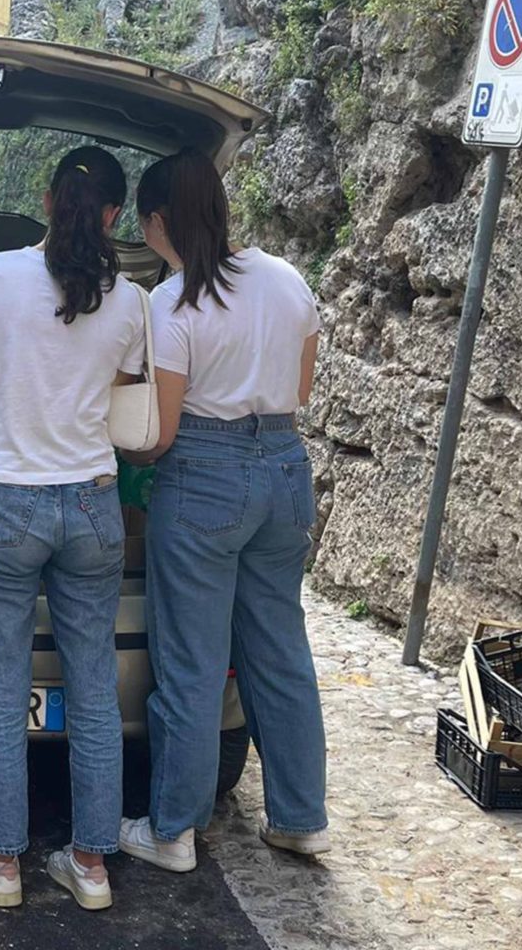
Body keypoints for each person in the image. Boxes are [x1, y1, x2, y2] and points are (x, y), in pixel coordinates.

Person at [0, 146, 146, 911]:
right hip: (92, 503)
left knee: (1, 688)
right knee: (93, 688)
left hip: (5, 498)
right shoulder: (131, 302)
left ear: (47, 198)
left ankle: (3, 863)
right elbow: (113, 403)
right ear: (114, 215)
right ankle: (90, 866)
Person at [116, 149, 328, 874]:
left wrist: (126, 453)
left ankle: (173, 830)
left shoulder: (172, 301)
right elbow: (301, 388)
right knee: (280, 651)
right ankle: (300, 819)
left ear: (158, 220)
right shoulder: (287, 278)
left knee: (192, 663)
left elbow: (161, 432)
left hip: (205, 478)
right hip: (286, 468)